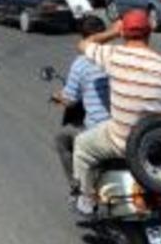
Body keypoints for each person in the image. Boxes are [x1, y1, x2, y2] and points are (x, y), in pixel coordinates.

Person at [70, 9, 161, 216]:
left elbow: (83, 45)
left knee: (81, 145)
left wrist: (112, 32)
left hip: (121, 142)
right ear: (149, 33)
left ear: (123, 33)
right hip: (157, 143)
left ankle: (86, 198)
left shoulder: (115, 56)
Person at [51, 16, 111, 200]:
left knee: (62, 139)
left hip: (99, 130)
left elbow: (69, 99)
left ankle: (79, 189)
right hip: (131, 128)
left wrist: (57, 97)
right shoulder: (120, 56)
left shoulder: (81, 63)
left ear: (84, 39)